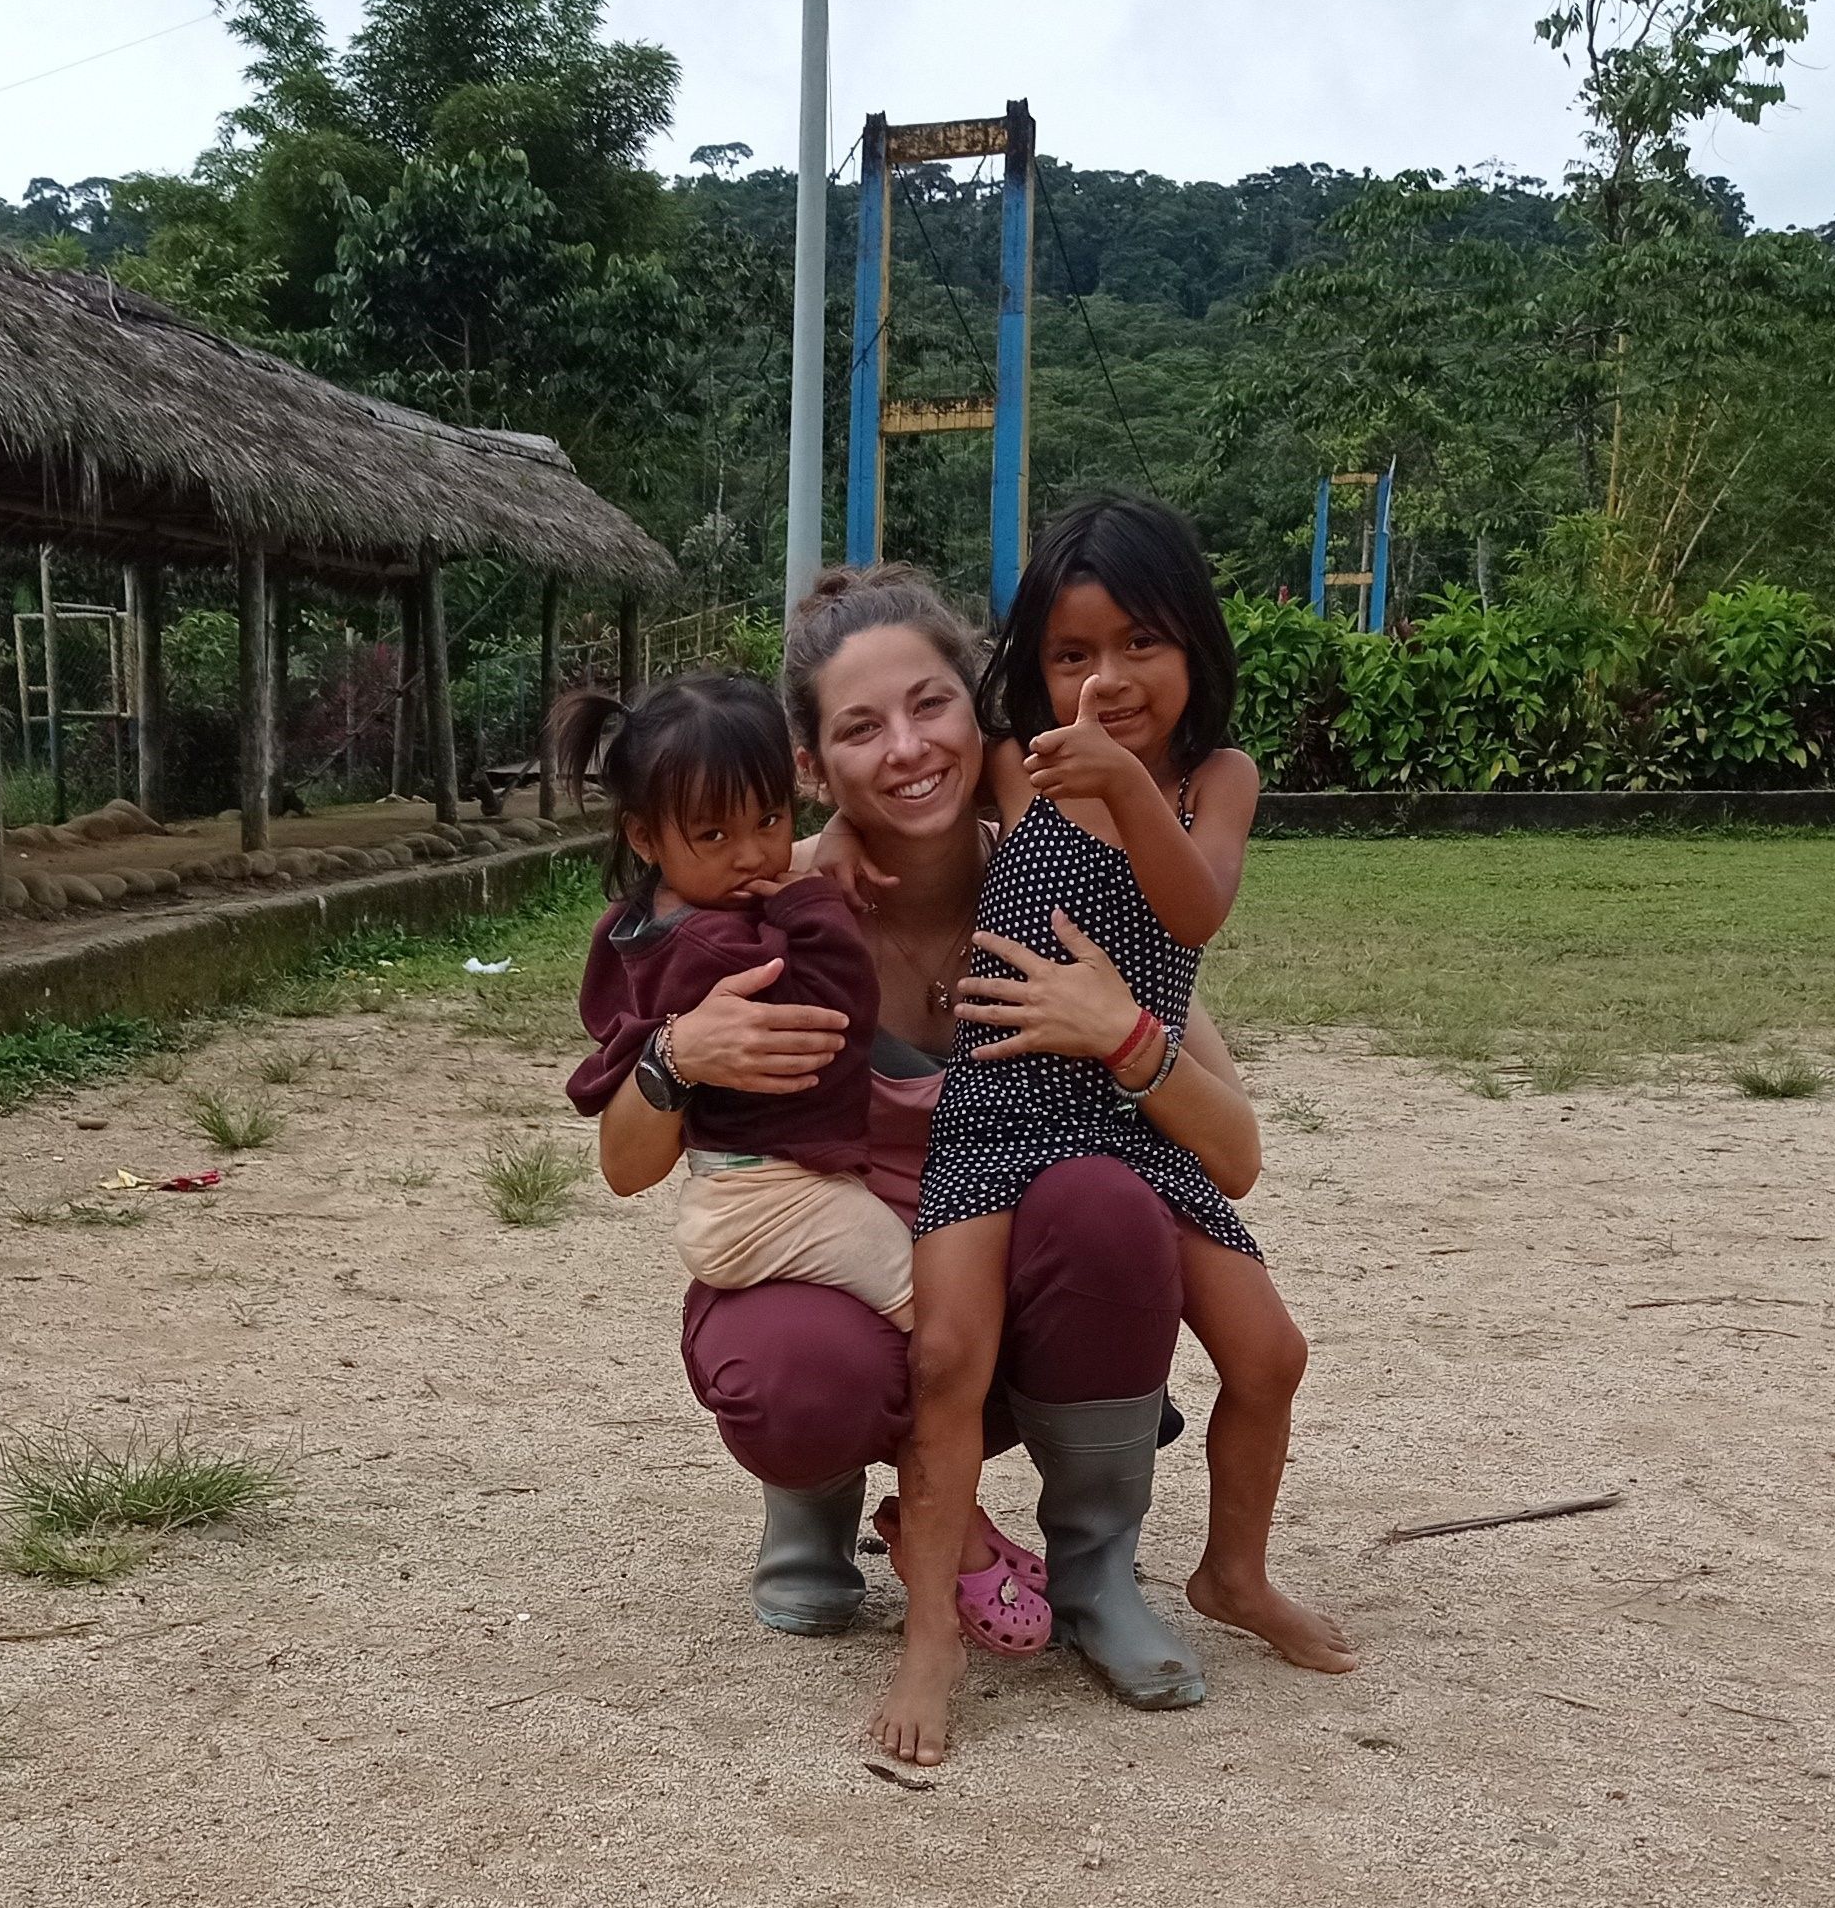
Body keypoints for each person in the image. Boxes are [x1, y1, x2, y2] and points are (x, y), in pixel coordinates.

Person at [589, 565, 1345, 1738]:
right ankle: (816, 1503)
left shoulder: (1072, 883)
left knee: (1105, 1204)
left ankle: (1095, 1569)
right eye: (858, 727)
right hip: (850, 1297)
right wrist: (675, 1055)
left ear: (983, 714)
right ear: (810, 764)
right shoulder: (756, 904)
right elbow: (627, 1163)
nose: (904, 748)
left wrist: (1125, 1038)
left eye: (930, 705)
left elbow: (1233, 1149)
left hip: (998, 1298)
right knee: (802, 1364)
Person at [560, 673, 1051, 1652]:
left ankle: (1040, 1523)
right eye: (713, 835)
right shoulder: (726, 939)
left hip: (805, 1197)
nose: (749, 854)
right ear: (647, 838)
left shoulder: (677, 916)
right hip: (770, 1199)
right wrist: (675, 1055)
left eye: (767, 820)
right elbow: (623, 1166)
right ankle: (925, 1527)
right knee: (932, 1318)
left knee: (1004, 1284)